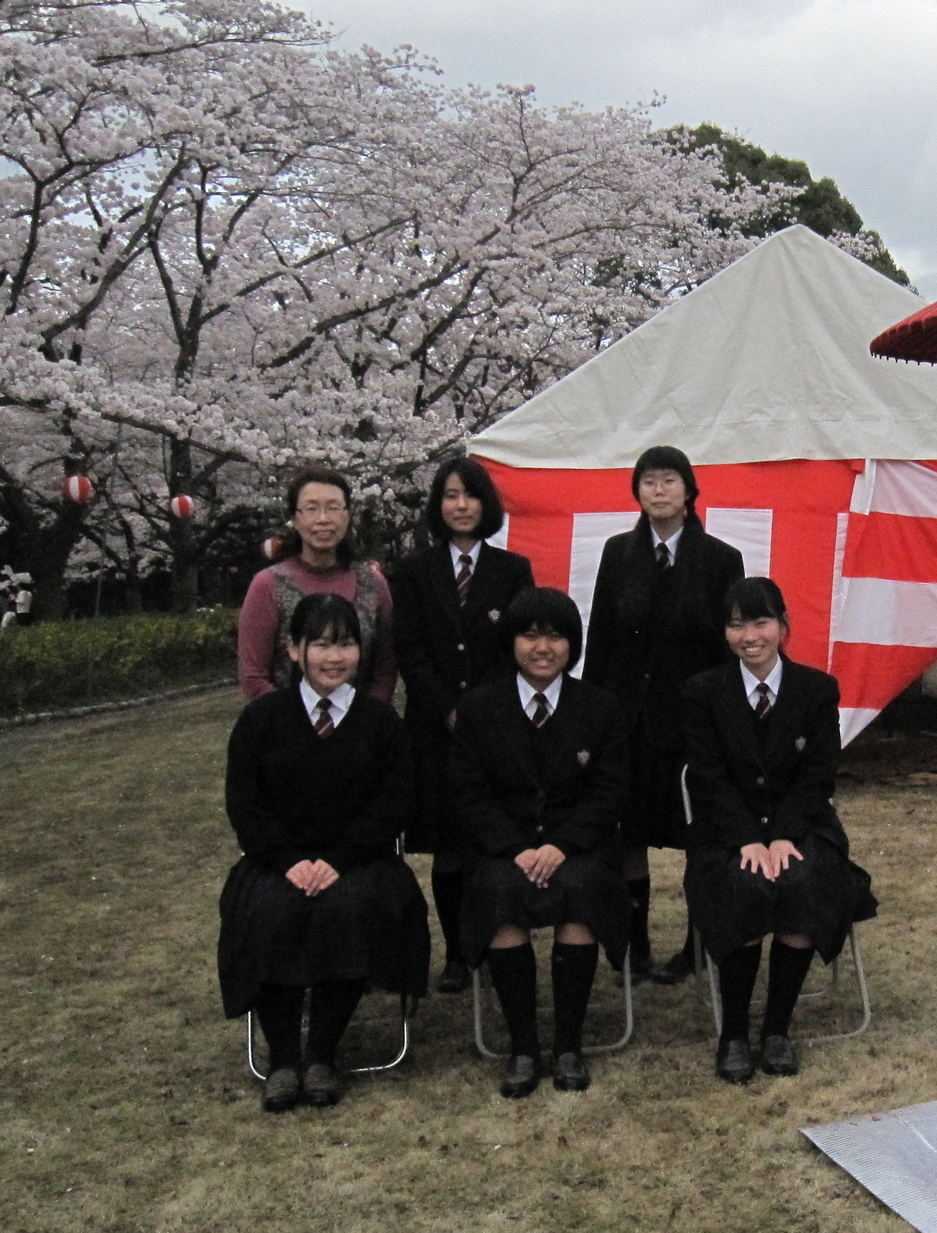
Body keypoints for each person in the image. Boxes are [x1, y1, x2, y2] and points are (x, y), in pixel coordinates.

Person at [218, 594, 431, 1112]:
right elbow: (245, 805)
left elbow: (394, 803)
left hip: (360, 860)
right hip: (277, 861)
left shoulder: (381, 723)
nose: (333, 658)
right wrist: (289, 861)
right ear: (294, 649)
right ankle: (284, 1058)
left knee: (350, 909)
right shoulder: (262, 720)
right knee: (269, 911)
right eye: (320, 645)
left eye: (345, 645)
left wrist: (337, 860)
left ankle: (321, 1055)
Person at [681, 577, 876, 1083]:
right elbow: (707, 778)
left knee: (801, 881)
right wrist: (747, 838)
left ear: (784, 627)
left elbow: (818, 775)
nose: (750, 635)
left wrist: (784, 835)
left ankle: (777, 1029)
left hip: (804, 825)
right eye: (736, 623)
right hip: (727, 831)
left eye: (761, 621)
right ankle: (734, 1035)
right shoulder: (702, 693)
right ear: (724, 632)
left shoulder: (817, 690)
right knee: (743, 885)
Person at [450, 588, 630, 1098]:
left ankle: (569, 1044)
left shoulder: (600, 708)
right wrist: (515, 848)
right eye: (530, 635)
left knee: (584, 890)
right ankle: (524, 1046)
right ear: (511, 643)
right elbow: (468, 793)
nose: (542, 647)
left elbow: (610, 792)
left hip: (577, 849)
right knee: (499, 895)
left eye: (555, 635)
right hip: (505, 851)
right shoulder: (479, 708)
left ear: (572, 644)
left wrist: (562, 846)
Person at [584, 446, 744, 984]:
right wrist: (593, 715)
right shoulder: (616, 553)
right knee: (627, 833)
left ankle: (698, 944)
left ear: (689, 490)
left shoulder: (721, 559)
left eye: (669, 480)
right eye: (648, 481)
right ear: (637, 491)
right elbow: (600, 638)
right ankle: (634, 944)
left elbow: (729, 649)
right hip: (627, 720)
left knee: (697, 835)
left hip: (690, 722)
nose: (658, 490)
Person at [392, 456, 535, 994]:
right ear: (438, 504)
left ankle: (497, 938)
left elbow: (517, 647)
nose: (460, 505)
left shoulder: (512, 570)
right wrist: (445, 707)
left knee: (490, 840)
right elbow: (409, 648)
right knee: (448, 847)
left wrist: (477, 711)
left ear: (486, 504)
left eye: (470, 495)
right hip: (431, 728)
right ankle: (456, 952)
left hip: (495, 726)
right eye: (450, 495)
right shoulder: (412, 570)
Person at [237, 465, 396, 703]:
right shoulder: (268, 585)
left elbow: (385, 670)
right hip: (286, 729)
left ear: (347, 515)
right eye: (311, 509)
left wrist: (364, 721)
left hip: (363, 730)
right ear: (295, 518)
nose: (323, 519)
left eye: (333, 508)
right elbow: (254, 677)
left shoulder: (373, 583)